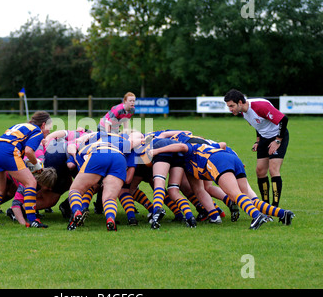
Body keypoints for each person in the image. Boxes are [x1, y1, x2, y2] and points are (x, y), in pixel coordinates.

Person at [150, 142, 295, 229]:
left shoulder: (188, 150)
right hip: (231, 158)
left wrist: (156, 151)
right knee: (246, 196)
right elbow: (223, 145)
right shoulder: (200, 148)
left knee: (234, 194)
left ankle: (257, 215)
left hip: (217, 161)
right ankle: (283, 214)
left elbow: (181, 146)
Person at [67, 131, 144, 231]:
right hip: (119, 158)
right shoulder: (127, 144)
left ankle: (77, 211)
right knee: (110, 198)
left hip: (98, 153)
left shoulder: (89, 143)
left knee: (76, 189)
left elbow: (88, 180)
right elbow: (128, 179)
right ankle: (110, 220)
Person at [224, 89, 289, 207]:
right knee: (260, 171)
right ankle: (266, 206)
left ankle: (275, 207)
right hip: (264, 138)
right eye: (228, 106)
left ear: (240, 102)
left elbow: (283, 119)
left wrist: (278, 141)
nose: (230, 109)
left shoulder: (260, 106)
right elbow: (257, 124)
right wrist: (258, 141)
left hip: (279, 136)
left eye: (232, 106)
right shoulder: (243, 112)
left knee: (273, 170)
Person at [0, 111, 52, 227]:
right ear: (43, 125)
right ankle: (32, 221)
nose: (49, 131)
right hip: (8, 151)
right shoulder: (38, 131)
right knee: (31, 182)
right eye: (48, 128)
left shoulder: (23, 125)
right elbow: (28, 151)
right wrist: (36, 165)